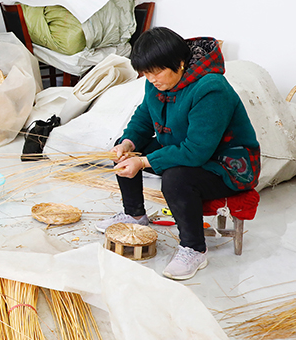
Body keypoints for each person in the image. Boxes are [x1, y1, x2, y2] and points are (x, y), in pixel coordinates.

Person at [95, 27, 260, 280]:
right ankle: (135, 214)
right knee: (127, 151)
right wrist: (128, 144)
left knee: (176, 178)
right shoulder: (157, 82)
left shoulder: (211, 89)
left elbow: (196, 152)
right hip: (184, 148)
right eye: (146, 73)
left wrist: (144, 161)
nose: (152, 79)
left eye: (157, 71)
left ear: (180, 63)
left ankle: (194, 248)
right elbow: (143, 119)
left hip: (226, 165)